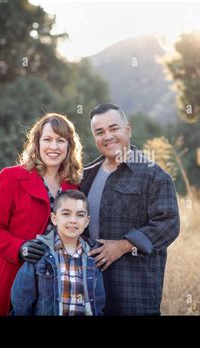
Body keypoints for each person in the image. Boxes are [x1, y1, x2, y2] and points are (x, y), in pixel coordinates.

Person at [80, 103, 180, 315]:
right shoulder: (84, 176)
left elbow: (168, 224)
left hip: (135, 291)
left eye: (113, 128)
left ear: (128, 129)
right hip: (91, 290)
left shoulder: (154, 176)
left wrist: (123, 245)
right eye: (100, 132)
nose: (107, 136)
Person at [0, 113, 82, 315]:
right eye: (47, 139)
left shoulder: (75, 186)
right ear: (36, 143)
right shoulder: (11, 177)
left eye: (61, 140)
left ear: (69, 146)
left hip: (60, 285)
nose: (54, 147)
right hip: (13, 276)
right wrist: (19, 248)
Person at [11, 190, 105, 316]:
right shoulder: (39, 254)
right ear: (54, 218)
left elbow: (98, 303)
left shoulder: (92, 257)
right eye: (66, 214)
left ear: (87, 221)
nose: (73, 220)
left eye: (80, 215)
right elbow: (22, 302)